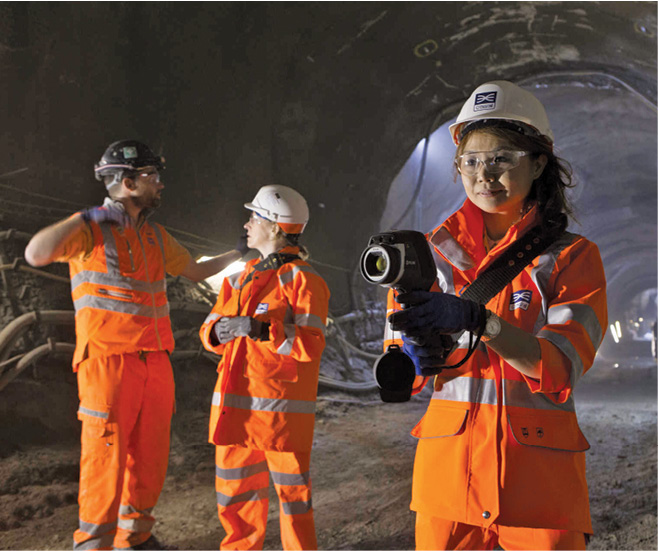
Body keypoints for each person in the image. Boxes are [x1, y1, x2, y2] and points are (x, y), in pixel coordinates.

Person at [384, 81, 608, 550]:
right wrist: (413, 357)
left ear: (539, 162)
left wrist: (480, 322)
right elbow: (406, 370)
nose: (484, 174)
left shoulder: (572, 259)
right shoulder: (429, 256)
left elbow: (560, 366)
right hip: (449, 482)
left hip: (538, 487)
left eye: (502, 158)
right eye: (471, 161)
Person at [24, 140, 248, 551]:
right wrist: (88, 215)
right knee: (105, 461)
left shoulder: (154, 237)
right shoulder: (90, 230)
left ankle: (136, 538)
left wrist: (238, 252)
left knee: (150, 460)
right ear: (128, 183)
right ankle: (93, 545)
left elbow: (195, 271)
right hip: (107, 363)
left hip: (155, 362)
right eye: (152, 177)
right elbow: (36, 253)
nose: (160, 185)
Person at [199, 185, 330, 550]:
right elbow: (208, 330)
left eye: (254, 217)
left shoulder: (304, 280)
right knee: (235, 501)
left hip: (279, 420)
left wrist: (261, 329)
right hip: (235, 413)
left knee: (294, 503)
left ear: (275, 227)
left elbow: (311, 345)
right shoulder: (238, 279)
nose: (247, 224)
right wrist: (216, 332)